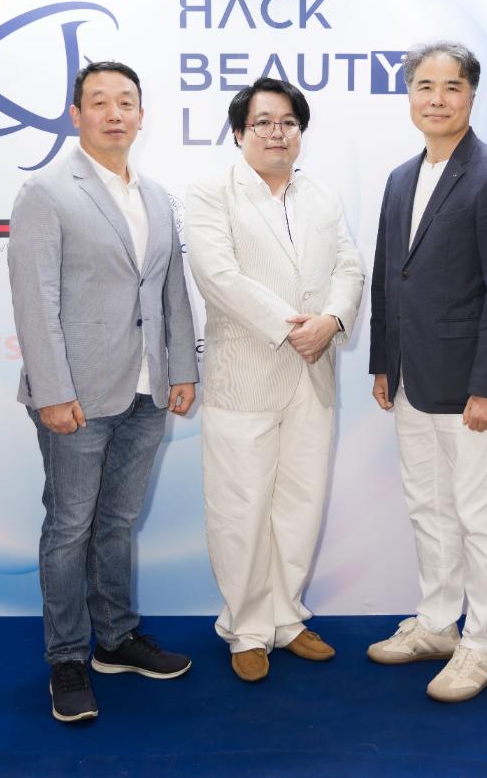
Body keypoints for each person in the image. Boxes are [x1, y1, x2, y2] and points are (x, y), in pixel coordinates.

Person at [8, 61, 199, 722]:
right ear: (76, 115)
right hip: (77, 397)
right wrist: (52, 391)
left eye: (126, 102)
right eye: (99, 102)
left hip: (146, 392)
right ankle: (66, 657)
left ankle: (115, 639)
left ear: (142, 115)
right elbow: (35, 300)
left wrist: (182, 370)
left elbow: (171, 291)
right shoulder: (46, 191)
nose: (114, 113)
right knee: (69, 528)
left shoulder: (157, 197)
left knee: (116, 523)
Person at [367, 41, 487, 702]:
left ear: (470, 96)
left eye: (451, 87)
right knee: (428, 507)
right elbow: (389, 277)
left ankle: (482, 644)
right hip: (410, 377)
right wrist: (383, 362)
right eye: (424, 86)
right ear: (409, 94)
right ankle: (437, 624)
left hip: (468, 387)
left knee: (478, 515)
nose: (436, 99)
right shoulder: (399, 178)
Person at [185, 77, 364, 682]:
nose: (276, 133)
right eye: (263, 122)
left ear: (300, 132)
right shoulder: (211, 194)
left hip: (314, 374)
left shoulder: (322, 196)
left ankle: (286, 619)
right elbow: (218, 276)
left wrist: (332, 320)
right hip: (246, 374)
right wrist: (295, 329)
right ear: (240, 132)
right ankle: (246, 628)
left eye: (288, 122)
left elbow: (348, 265)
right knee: (240, 507)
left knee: (300, 504)